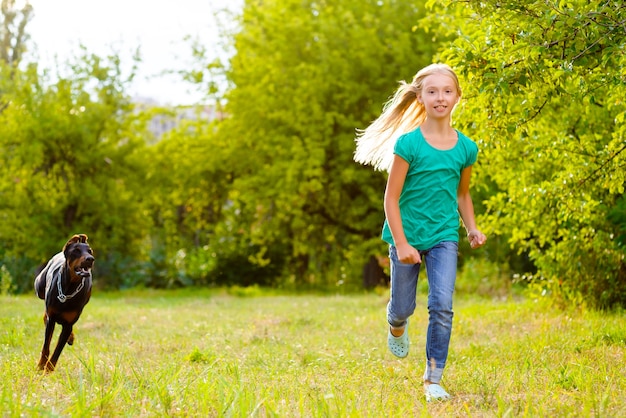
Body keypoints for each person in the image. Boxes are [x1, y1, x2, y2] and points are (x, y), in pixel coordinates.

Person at [354, 63, 487, 402]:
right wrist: (401, 243)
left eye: (447, 91)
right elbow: (391, 198)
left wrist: (471, 227)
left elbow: (462, 193)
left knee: (442, 305)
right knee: (403, 307)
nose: (440, 97)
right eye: (432, 91)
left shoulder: (466, 148)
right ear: (420, 97)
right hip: (408, 235)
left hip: (445, 235)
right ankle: (395, 325)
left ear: (457, 96)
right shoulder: (409, 144)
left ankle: (433, 380)